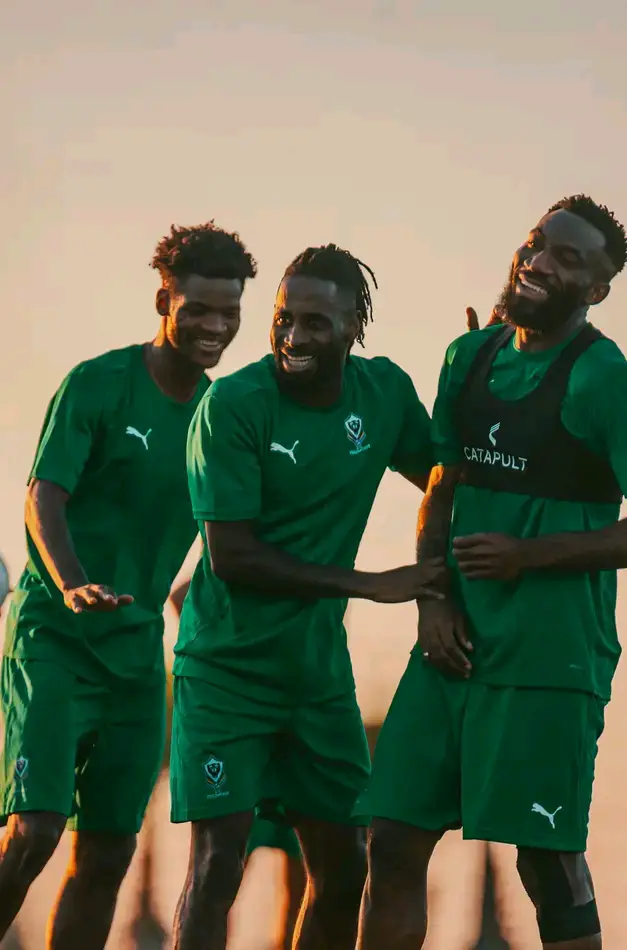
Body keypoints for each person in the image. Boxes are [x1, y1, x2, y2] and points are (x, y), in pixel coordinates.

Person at [357, 194, 627, 950]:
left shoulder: (605, 379)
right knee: (390, 838)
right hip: (451, 646)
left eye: (570, 259)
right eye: (538, 243)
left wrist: (528, 557)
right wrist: (433, 600)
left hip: (550, 653)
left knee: (547, 864)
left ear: (598, 290)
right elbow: (442, 488)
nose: (541, 261)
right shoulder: (467, 357)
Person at [169, 243, 445, 950]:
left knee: (345, 870)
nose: (293, 338)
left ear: (355, 324)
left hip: (318, 678)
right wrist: (371, 585)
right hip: (226, 671)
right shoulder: (233, 404)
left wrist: (481, 380)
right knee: (216, 865)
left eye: (316, 324)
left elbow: (450, 479)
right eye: (283, 319)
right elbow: (232, 557)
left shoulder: (384, 395)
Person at [0, 222, 257, 948]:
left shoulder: (223, 415)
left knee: (108, 851)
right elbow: (43, 494)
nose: (214, 327)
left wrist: (195, 591)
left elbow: (233, 528)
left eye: (228, 313)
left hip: (139, 656)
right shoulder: (97, 384)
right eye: (198, 310)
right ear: (162, 301)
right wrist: (73, 582)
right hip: (54, 638)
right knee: (34, 831)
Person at [169, 579, 306, 950]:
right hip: (241, 721)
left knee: (304, 865)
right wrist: (221, 651)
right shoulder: (238, 551)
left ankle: (284, 943)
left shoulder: (319, 550)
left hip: (300, 710)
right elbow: (181, 594)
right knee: (221, 862)